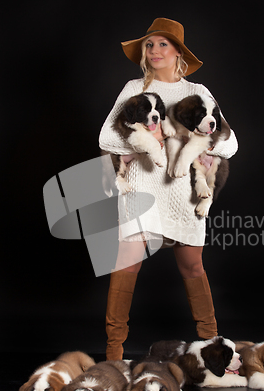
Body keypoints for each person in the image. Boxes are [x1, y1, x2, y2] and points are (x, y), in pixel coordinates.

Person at [99, 18, 238, 360]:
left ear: (179, 52)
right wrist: (145, 142)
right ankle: (114, 353)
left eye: (163, 44)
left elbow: (230, 144)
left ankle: (211, 346)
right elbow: (106, 137)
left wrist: (192, 142)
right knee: (127, 263)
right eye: (150, 45)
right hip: (141, 189)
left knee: (192, 266)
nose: (155, 50)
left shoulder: (198, 93)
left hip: (182, 193)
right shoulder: (134, 89)